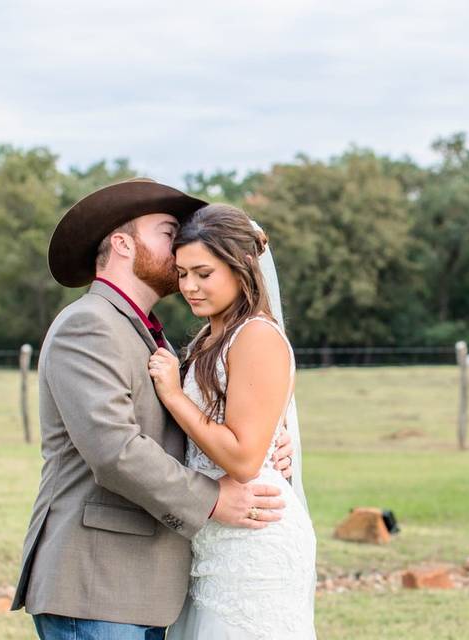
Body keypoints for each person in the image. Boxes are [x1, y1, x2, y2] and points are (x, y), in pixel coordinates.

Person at [10, 179, 295, 640]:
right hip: (96, 584)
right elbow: (115, 451)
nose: (181, 240)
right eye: (167, 230)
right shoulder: (89, 324)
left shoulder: (153, 335)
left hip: (141, 586)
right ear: (122, 244)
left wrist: (266, 443)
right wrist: (214, 497)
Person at [148, 203, 317, 639]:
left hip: (255, 544)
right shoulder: (210, 337)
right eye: (182, 273)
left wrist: (171, 393)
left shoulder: (257, 336)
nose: (189, 286)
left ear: (242, 266)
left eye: (204, 273)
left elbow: (243, 459)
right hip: (215, 540)